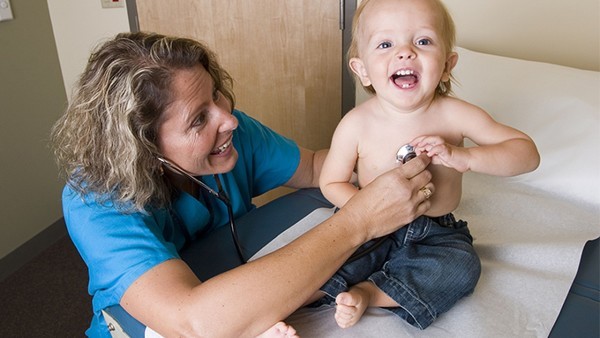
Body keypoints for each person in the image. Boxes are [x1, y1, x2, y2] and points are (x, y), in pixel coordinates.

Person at [49, 31, 436, 337]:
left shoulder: (233, 135)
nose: (228, 119)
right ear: (144, 148)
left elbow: (320, 168)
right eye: (199, 119)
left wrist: (397, 157)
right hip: (149, 322)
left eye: (215, 94)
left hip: (226, 277)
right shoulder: (95, 199)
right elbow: (193, 324)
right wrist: (360, 222)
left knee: (322, 199)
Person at [316, 0, 541, 330]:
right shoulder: (356, 124)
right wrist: (365, 211)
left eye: (423, 41)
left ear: (448, 64)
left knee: (461, 266)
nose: (405, 52)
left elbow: (526, 153)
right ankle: (291, 302)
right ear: (362, 68)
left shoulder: (456, 115)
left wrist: (465, 157)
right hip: (369, 225)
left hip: (434, 232)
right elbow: (331, 182)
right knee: (321, 256)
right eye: (385, 43)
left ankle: (370, 293)